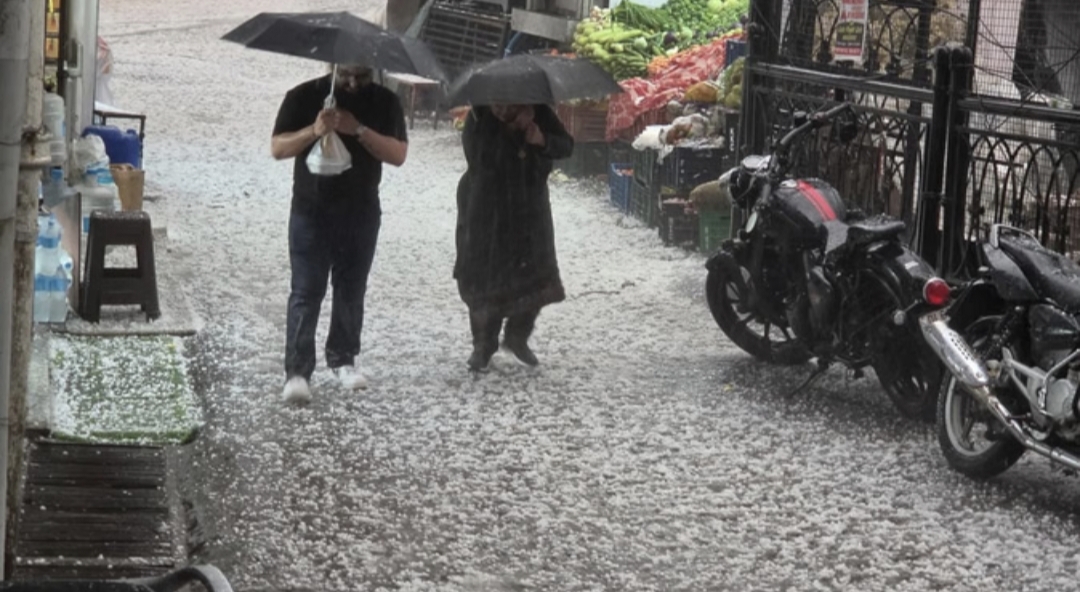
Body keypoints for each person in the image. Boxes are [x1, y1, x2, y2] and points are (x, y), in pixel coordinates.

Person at [271, 64, 408, 404]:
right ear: (332, 67)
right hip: (310, 209)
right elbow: (278, 148)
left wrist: (358, 129)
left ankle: (343, 358)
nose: (353, 83)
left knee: (351, 289)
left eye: (362, 76)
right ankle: (297, 371)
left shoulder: (385, 101)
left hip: (361, 210)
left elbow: (398, 155)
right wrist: (314, 130)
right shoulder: (303, 96)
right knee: (306, 290)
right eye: (346, 74)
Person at [454, 103, 574, 372]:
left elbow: (566, 145)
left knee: (534, 274)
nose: (504, 105)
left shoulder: (540, 112)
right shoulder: (479, 116)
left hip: (529, 207)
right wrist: (509, 129)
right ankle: (483, 345)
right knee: (485, 278)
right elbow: (480, 160)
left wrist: (540, 138)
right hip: (487, 208)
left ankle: (518, 335)